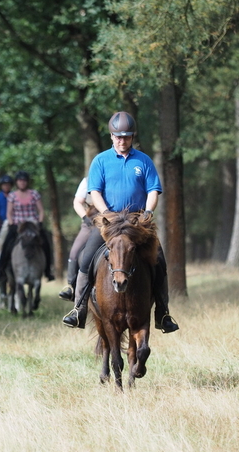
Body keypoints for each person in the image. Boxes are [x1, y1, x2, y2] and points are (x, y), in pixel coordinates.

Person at [62, 111, 179, 333]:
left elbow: (153, 190)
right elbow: (94, 191)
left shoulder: (143, 161)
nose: (122, 141)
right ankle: (79, 309)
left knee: (159, 261)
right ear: (111, 136)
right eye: (118, 136)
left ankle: (162, 313)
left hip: (137, 222)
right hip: (109, 221)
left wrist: (148, 211)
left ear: (132, 136)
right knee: (86, 259)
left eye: (126, 137)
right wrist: (106, 214)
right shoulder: (101, 160)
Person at [0, 171, 55, 282]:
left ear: (27, 182)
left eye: (24, 181)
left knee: (45, 242)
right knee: (7, 243)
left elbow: (41, 211)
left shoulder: (34, 194)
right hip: (18, 225)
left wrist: (40, 222)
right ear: (16, 182)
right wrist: (11, 223)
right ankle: (0, 268)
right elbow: (9, 212)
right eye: (20, 181)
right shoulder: (12, 196)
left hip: (32, 225)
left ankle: (47, 270)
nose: (22, 183)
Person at [58, 177, 97, 301]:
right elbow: (77, 202)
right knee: (74, 252)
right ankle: (70, 286)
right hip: (90, 223)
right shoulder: (87, 181)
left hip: (110, 222)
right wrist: (85, 217)